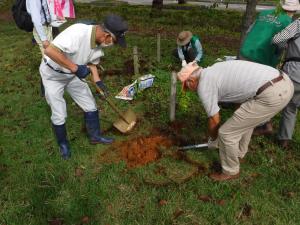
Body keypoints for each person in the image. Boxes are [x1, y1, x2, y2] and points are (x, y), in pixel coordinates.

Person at [177, 60, 294, 181]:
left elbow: (214, 119)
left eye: (187, 86)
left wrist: (213, 139)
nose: (190, 90)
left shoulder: (204, 85)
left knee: (226, 133)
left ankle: (230, 171)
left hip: (273, 93)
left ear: (191, 80)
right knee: (244, 120)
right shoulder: (213, 69)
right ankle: (238, 154)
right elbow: (240, 93)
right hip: (284, 82)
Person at [40, 14, 128, 159]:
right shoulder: (77, 32)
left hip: (73, 75)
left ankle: (95, 136)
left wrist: (97, 80)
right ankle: (63, 144)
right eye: (114, 41)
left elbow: (92, 63)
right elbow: (49, 50)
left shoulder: (98, 44)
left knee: (90, 106)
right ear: (106, 35)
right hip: (53, 76)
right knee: (59, 113)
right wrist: (74, 67)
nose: (112, 44)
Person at [239, 0, 300, 135]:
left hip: (247, 52)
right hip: (264, 59)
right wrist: (281, 50)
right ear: (294, 10)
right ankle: (264, 126)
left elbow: (250, 30)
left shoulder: (264, 13)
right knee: (267, 93)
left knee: (249, 87)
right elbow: (279, 42)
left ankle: (254, 122)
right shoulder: (288, 22)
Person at [272, 18, 300, 149]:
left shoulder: (298, 23)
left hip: (295, 70)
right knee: (292, 106)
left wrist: (284, 46)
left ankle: (263, 125)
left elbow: (277, 39)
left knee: (274, 97)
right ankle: (284, 141)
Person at [26, 0, 53, 97]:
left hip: (47, 27)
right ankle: (46, 90)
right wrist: (44, 39)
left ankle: (48, 88)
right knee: (48, 60)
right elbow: (36, 19)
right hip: (42, 30)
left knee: (49, 58)